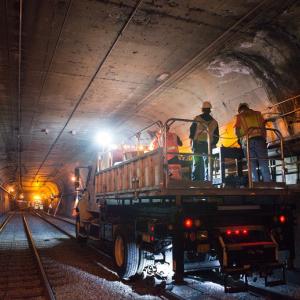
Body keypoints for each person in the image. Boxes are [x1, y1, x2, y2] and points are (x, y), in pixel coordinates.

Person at [234, 102, 271, 182]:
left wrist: (240, 139)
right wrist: (264, 139)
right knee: (263, 162)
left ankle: (254, 183)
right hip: (260, 140)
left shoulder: (239, 116)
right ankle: (268, 182)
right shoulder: (257, 114)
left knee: (251, 164)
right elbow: (263, 128)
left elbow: (236, 132)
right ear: (247, 107)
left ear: (239, 110)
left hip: (248, 142)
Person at [189, 101, 219, 181]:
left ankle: (195, 181)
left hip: (197, 144)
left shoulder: (197, 118)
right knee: (208, 163)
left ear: (202, 109)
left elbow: (192, 131)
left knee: (196, 163)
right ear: (210, 110)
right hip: (208, 145)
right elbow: (216, 136)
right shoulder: (215, 122)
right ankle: (208, 181)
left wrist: (191, 143)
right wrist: (213, 144)